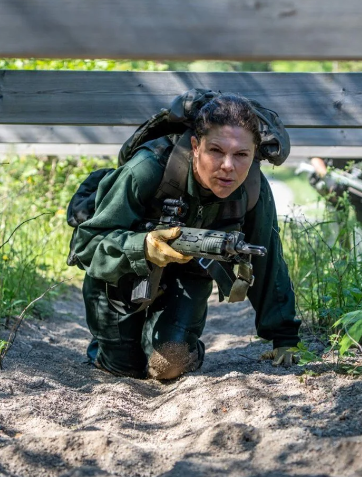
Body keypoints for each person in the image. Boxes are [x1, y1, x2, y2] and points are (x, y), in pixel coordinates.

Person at [73, 95, 300, 381]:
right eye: (216, 151)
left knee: (167, 365)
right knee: (122, 366)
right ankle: (113, 343)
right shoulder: (146, 169)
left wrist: (284, 336)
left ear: (254, 154)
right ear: (195, 146)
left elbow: (268, 259)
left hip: (188, 276)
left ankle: (174, 340)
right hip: (121, 274)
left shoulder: (252, 189)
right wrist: (142, 247)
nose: (228, 166)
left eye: (241, 155)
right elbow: (87, 243)